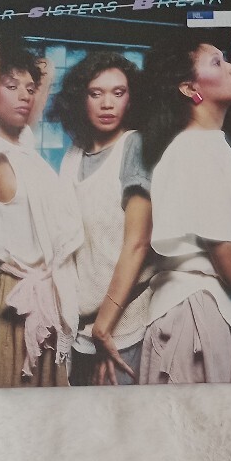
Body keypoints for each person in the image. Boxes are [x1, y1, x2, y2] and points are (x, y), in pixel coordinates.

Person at [140, 37, 231, 383]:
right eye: (217, 62)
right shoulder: (194, 151)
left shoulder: (215, 147)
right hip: (198, 316)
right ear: (190, 88)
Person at [0, 35, 83, 388]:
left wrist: (24, 77)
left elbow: (45, 68)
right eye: (11, 87)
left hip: (45, 297)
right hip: (13, 298)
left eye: (29, 89)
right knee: (13, 407)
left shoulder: (23, 144)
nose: (26, 95)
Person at [49, 52, 153, 385]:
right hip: (80, 328)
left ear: (131, 99)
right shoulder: (73, 155)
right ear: (81, 99)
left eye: (118, 93)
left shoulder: (134, 145)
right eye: (96, 93)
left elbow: (138, 244)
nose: (107, 103)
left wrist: (104, 328)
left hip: (125, 322)